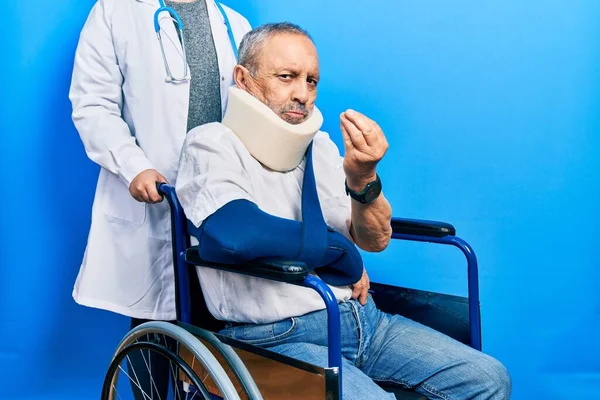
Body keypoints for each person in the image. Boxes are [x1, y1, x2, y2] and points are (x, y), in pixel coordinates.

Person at [175, 22, 512, 399]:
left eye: (312, 81)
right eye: (287, 77)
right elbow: (236, 234)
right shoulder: (211, 144)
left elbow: (375, 240)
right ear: (244, 78)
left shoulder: (320, 147)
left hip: (364, 320)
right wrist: (341, 253)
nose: (302, 94)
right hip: (276, 337)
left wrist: (363, 177)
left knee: (488, 378)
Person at [68, 0, 251, 398]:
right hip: (155, 203)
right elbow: (92, 104)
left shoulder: (234, 24)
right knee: (152, 346)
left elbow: (255, 112)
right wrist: (133, 166)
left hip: (219, 209)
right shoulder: (115, 11)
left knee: (218, 356)